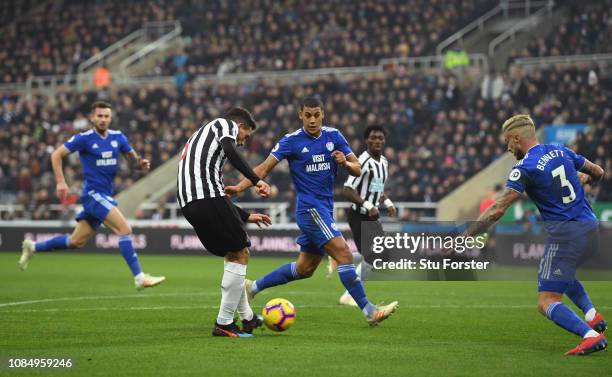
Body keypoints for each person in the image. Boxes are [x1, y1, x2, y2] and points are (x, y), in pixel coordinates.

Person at [225, 96, 398, 326]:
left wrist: (345, 164)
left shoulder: (334, 136)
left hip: (324, 209)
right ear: (300, 115)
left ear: (322, 114)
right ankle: (369, 310)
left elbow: (357, 168)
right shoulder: (291, 141)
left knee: (305, 268)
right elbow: (263, 168)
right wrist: (239, 187)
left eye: (317, 115)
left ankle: (252, 287)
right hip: (310, 210)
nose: (313, 120)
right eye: (308, 115)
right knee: (344, 255)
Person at [460, 114, 607, 355]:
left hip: (565, 235)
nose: (508, 148)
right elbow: (599, 171)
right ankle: (593, 316)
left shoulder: (524, 167)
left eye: (508, 141)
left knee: (546, 300)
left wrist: (466, 234)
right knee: (560, 274)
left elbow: (498, 209)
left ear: (517, 138)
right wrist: (585, 179)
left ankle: (590, 336)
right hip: (590, 229)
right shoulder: (561, 150)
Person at [19, 101, 165, 290]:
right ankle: (139, 277)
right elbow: (56, 154)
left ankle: (33, 247)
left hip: (104, 195)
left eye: (106, 116)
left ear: (111, 118)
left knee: (75, 242)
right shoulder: (84, 138)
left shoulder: (118, 137)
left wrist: (140, 163)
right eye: (99, 116)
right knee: (124, 229)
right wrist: (61, 182)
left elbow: (133, 160)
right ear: (92, 118)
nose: (103, 119)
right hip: (92, 195)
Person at [177, 107, 272, 337]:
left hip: (190, 203)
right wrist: (255, 180)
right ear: (239, 125)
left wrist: (246, 216)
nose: (242, 142)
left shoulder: (202, 139)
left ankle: (247, 318)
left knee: (233, 255)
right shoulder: (224, 124)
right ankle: (224, 322)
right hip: (205, 197)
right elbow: (231, 150)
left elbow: (217, 193)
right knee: (241, 253)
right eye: (245, 136)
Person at [335, 125, 397, 306]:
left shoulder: (384, 161)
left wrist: (387, 202)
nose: (377, 141)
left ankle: (339, 256)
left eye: (380, 138)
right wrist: (368, 205)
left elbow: (377, 188)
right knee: (373, 256)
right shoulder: (362, 161)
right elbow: (347, 189)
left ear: (384, 141)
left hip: (371, 217)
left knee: (382, 256)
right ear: (366, 140)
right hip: (359, 215)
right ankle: (349, 295)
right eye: (373, 138)